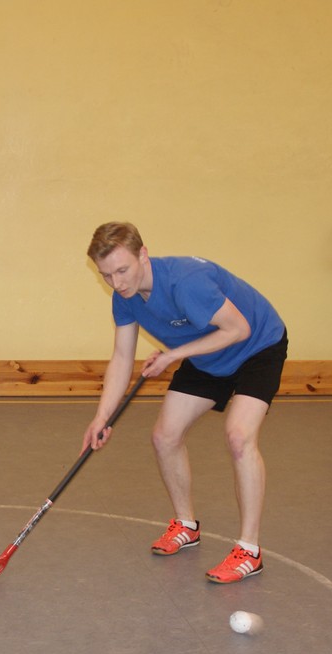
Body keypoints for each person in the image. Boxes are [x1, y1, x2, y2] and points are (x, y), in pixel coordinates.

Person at [83, 222, 287, 584]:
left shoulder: (186, 281)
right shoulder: (125, 298)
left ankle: (249, 550)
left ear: (143, 255)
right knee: (165, 436)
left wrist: (174, 355)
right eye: (106, 275)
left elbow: (238, 329)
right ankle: (186, 525)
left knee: (239, 436)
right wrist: (102, 417)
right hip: (206, 353)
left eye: (122, 270)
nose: (116, 283)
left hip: (257, 346)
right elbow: (122, 357)